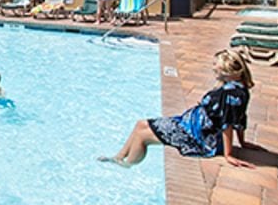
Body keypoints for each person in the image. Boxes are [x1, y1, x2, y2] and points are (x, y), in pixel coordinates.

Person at [99, 50, 258, 168]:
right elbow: (240, 117)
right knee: (141, 124)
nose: (213, 67)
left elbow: (228, 123)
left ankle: (127, 165)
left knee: (142, 136)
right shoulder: (236, 88)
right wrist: (242, 142)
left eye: (215, 64)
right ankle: (119, 157)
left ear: (227, 68)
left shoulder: (230, 93)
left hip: (198, 136)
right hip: (192, 125)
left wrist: (228, 154)